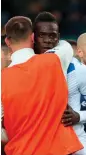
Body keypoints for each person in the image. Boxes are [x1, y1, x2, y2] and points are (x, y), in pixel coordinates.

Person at [1, 16, 83, 155]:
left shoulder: (2, 78)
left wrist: (17, 131)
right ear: (33, 37)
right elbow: (65, 45)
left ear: (7, 41)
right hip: (59, 150)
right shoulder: (55, 60)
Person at [33, 11, 86, 155]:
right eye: (42, 35)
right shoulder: (23, 68)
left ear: (59, 37)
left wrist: (79, 116)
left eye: (52, 36)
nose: (47, 40)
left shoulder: (77, 69)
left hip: (76, 148)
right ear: (33, 37)